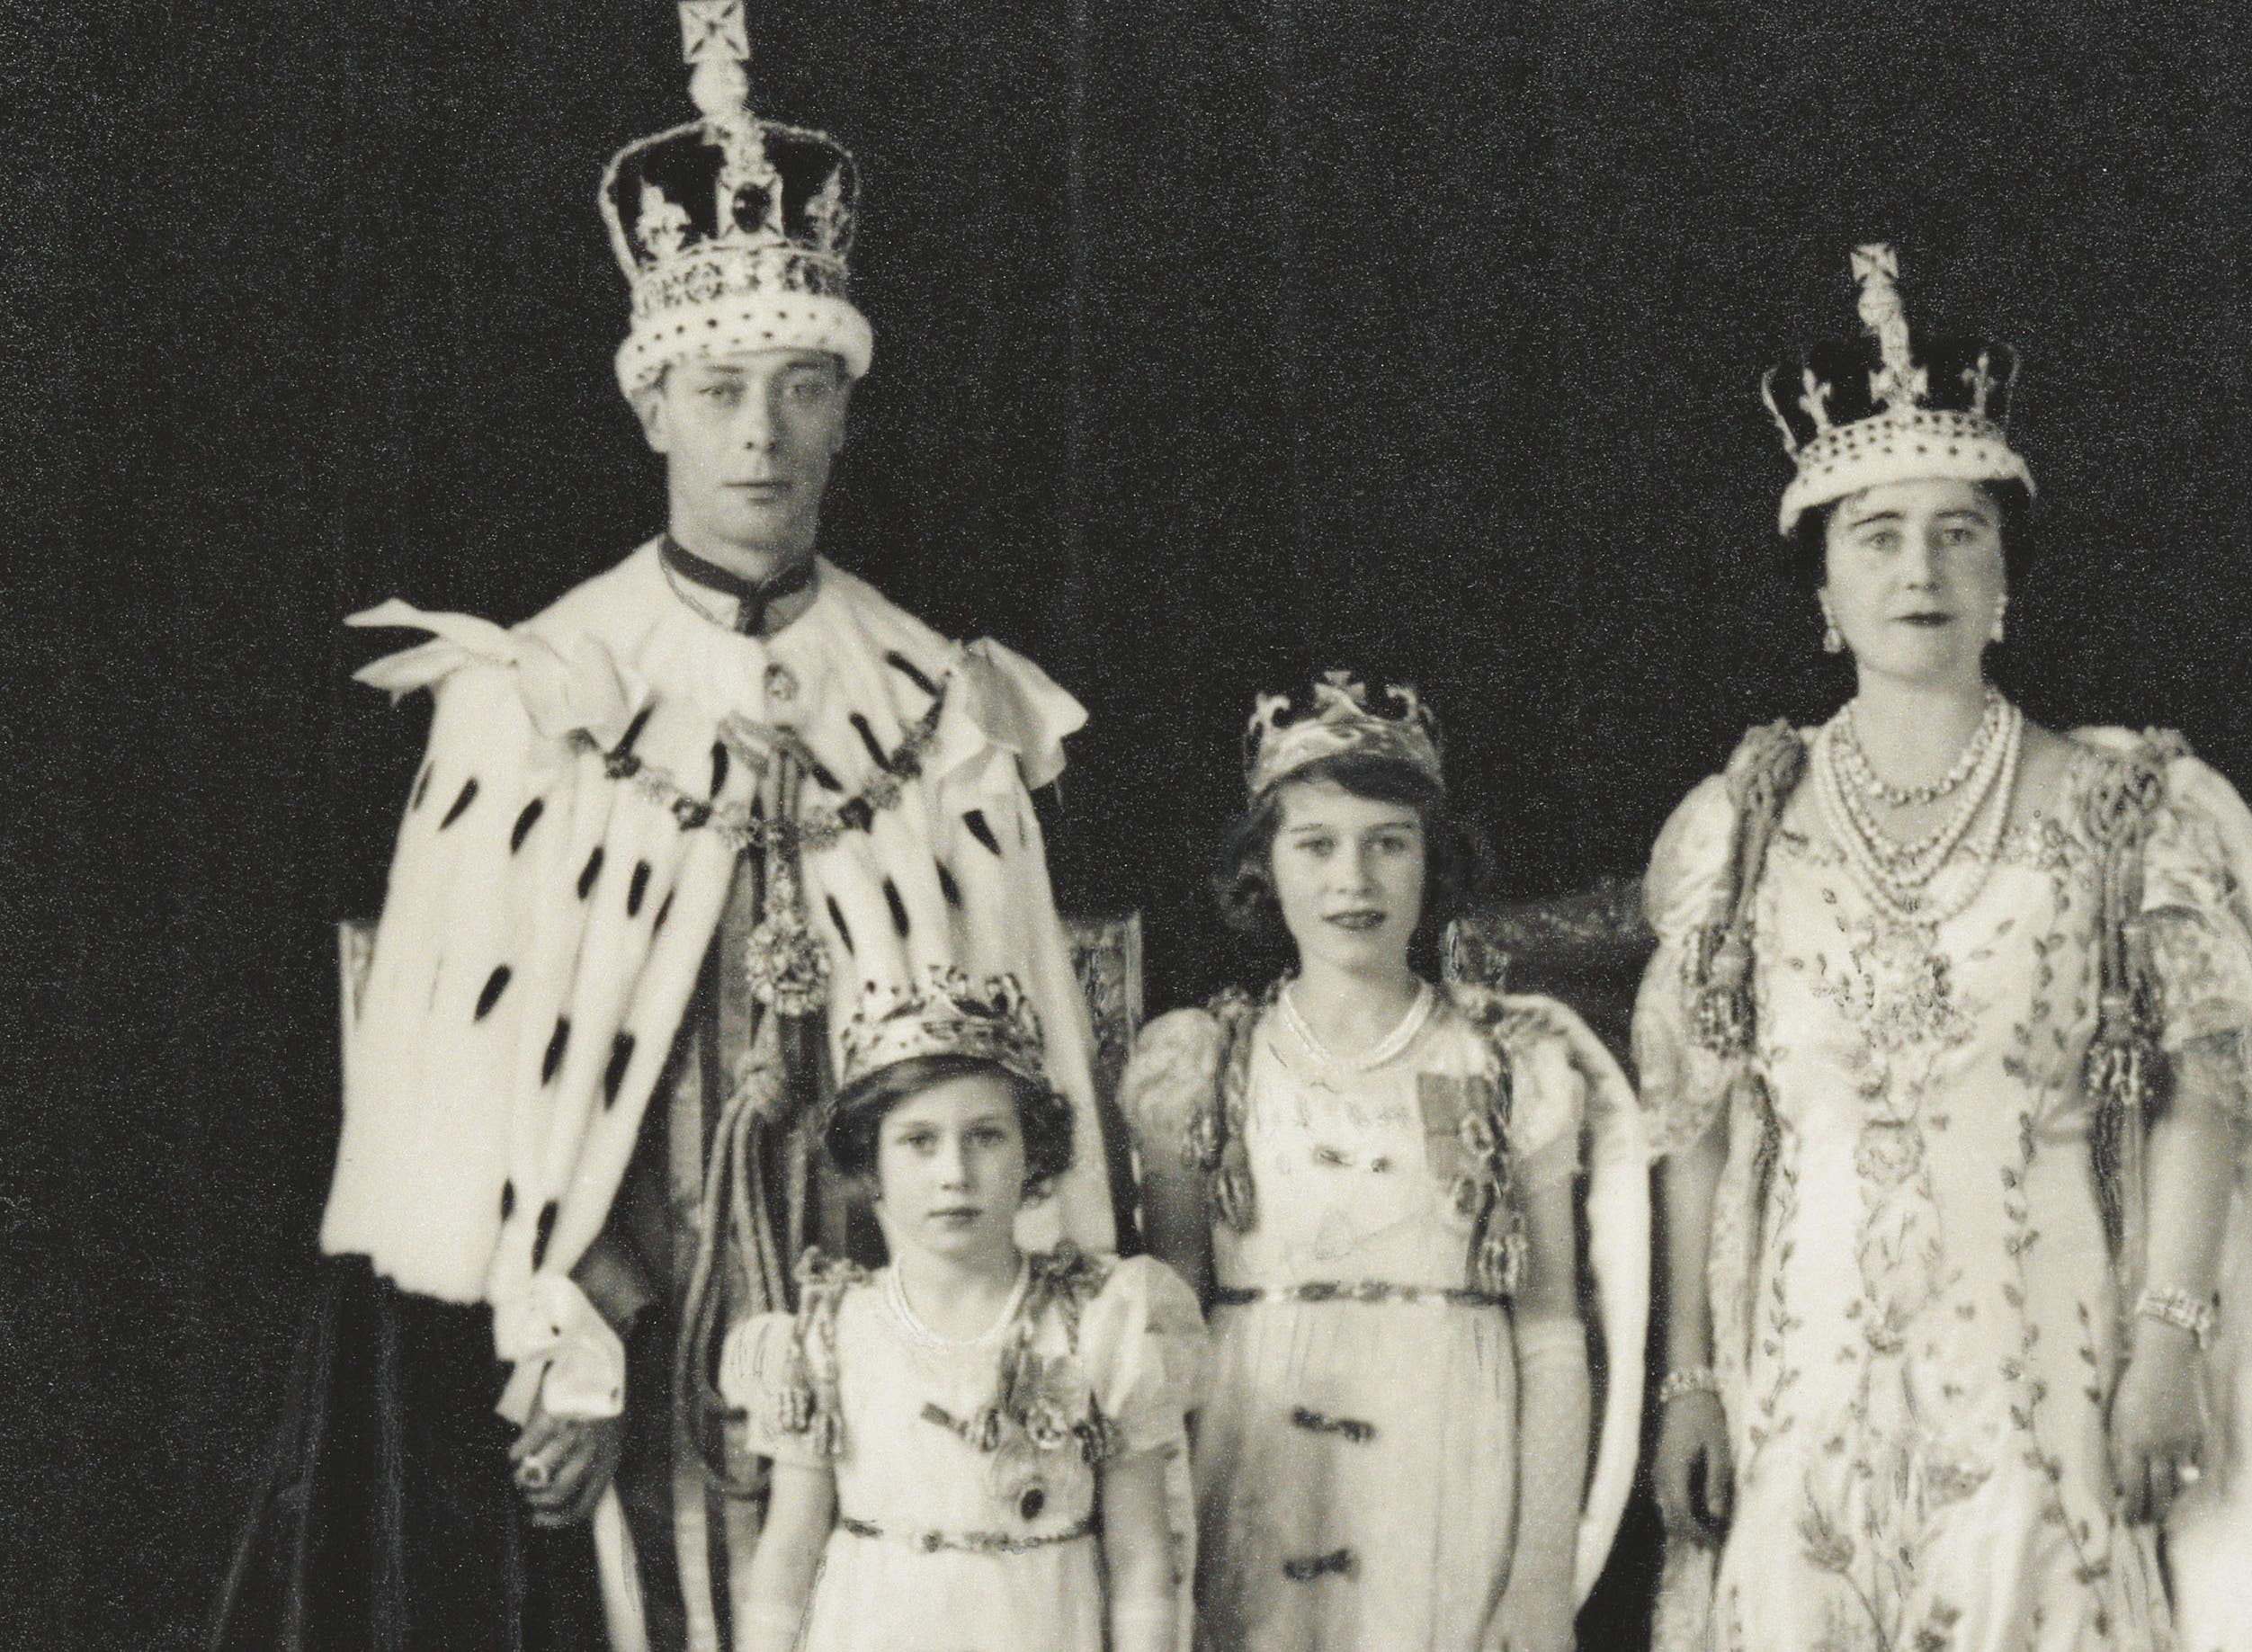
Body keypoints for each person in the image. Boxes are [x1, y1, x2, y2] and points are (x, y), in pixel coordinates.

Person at [211, 8, 1118, 1649]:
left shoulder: (940, 698)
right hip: (627, 1306)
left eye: (796, 391)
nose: (759, 435)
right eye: (718, 392)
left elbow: (1019, 1067)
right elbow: (468, 1099)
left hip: (897, 1312)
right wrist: (570, 1324)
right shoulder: (539, 691)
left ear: (846, 409)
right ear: (653, 412)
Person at [1636, 246, 2252, 1652]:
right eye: (1876, 535)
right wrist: (1687, 1381)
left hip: (2041, 1363)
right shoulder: (1738, 824)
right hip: (1807, 1378)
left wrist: (2167, 1341)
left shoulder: (2125, 809)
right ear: (1822, 588)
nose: (1918, 570)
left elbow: (2201, 1089)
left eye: (1956, 532)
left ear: (2002, 574)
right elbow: (1699, 1126)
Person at [1124, 672, 1649, 1652]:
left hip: (1447, 1462)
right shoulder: (1198, 1064)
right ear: (1264, 866)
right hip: (1254, 1470)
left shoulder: (1509, 1063)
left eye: (1387, 844)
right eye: (1315, 845)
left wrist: (1540, 1573)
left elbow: (1546, 1331)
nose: (1351, 882)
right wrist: (1156, 1563)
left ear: (1431, 862)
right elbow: (1169, 1331)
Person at [718, 968, 1205, 1652]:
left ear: (1032, 1150)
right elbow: (787, 1556)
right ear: (871, 1162)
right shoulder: (829, 1334)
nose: (954, 1171)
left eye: (985, 1136)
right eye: (918, 1141)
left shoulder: (1101, 1320)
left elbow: (1141, 1561)